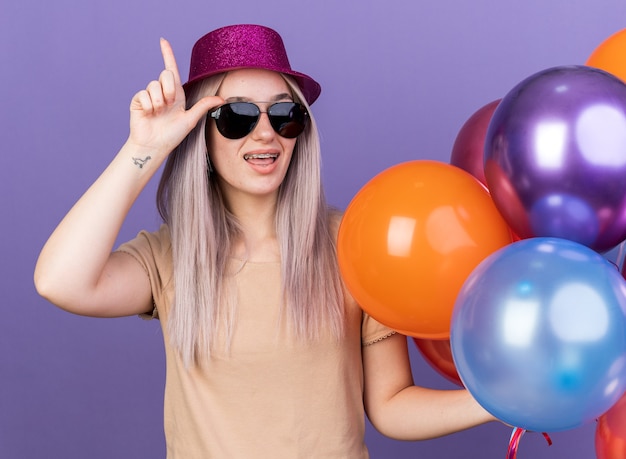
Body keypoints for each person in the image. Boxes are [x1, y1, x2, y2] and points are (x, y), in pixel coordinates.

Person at [34, 24, 495, 458]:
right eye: (236, 116)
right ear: (199, 134)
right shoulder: (171, 257)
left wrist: (499, 402)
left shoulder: (353, 244)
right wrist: (145, 149)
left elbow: (391, 405)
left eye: (284, 113)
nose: (265, 133)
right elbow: (60, 280)